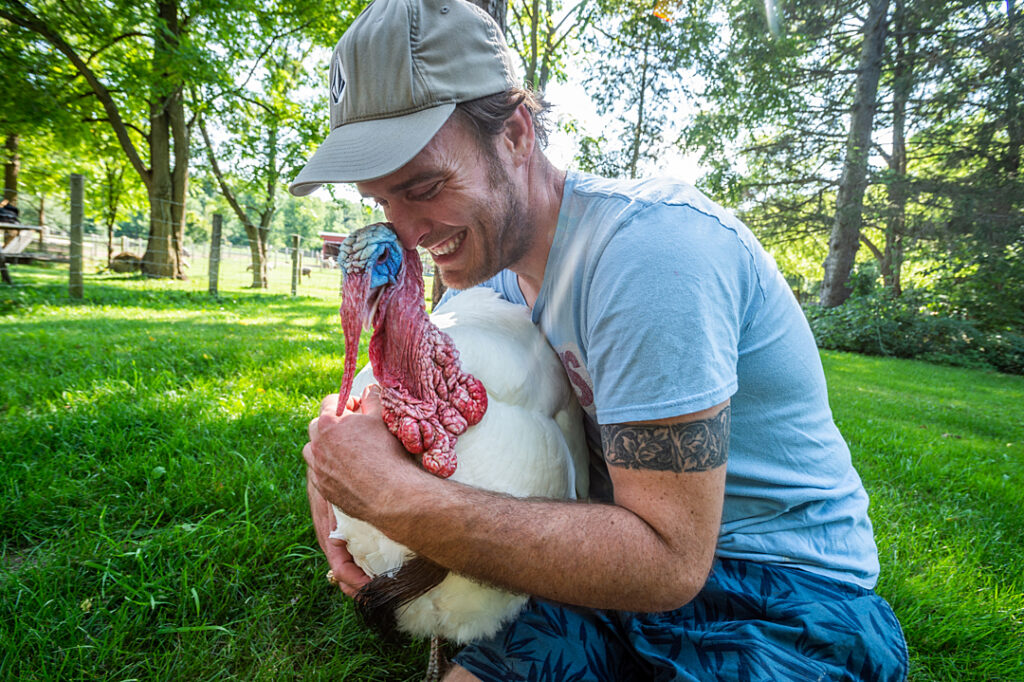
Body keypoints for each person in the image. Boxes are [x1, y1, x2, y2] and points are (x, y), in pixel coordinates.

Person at [293, 0, 909, 679]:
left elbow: (669, 560)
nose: (405, 232)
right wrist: (344, 457)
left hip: (784, 594)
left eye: (425, 187)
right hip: (599, 572)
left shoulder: (652, 253)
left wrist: (394, 501)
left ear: (518, 134)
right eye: (382, 202)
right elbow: (418, 395)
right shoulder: (491, 285)